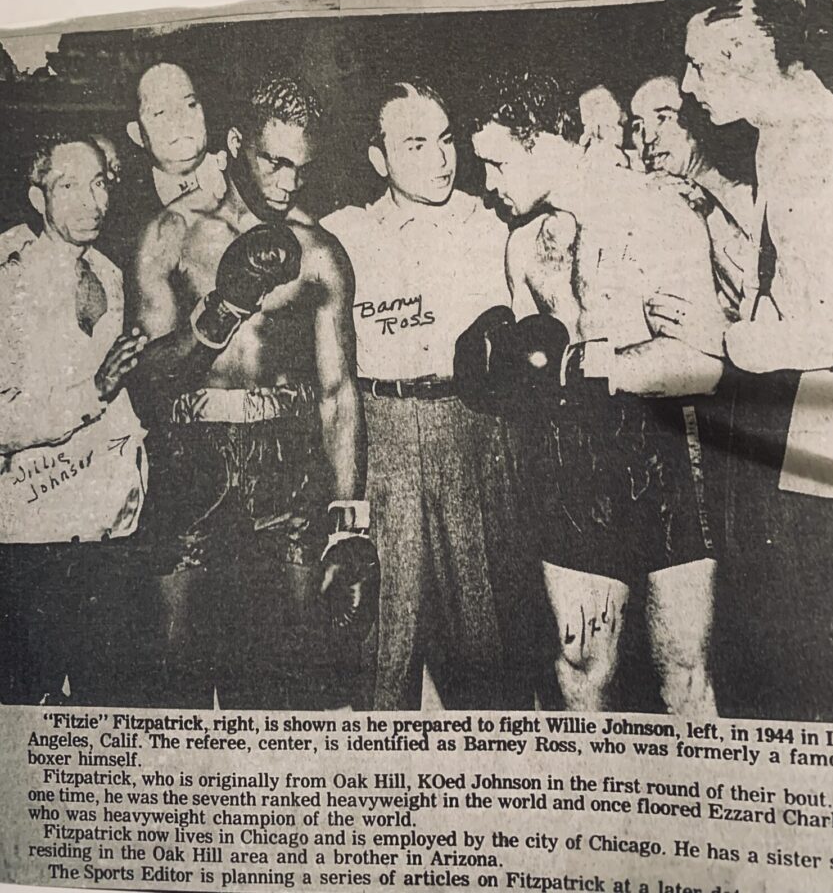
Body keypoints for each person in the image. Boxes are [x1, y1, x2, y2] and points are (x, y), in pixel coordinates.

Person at [647, 0, 833, 721]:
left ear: (744, 56)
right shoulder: (779, 133)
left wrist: (724, 337)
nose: (687, 87)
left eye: (697, 68)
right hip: (810, 422)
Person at [457, 69, 723, 714]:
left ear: (545, 140)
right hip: (568, 460)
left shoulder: (657, 213)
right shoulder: (524, 246)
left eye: (497, 162)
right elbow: (529, 383)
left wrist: (586, 364)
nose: (490, 184)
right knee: (580, 668)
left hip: (658, 451)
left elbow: (705, 367)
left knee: (682, 668)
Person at [129, 75, 377, 710]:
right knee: (174, 676)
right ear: (237, 144)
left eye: (301, 167)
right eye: (274, 162)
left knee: (286, 683)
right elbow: (149, 381)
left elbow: (338, 393)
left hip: (288, 467)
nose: (288, 184)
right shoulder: (169, 236)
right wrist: (222, 311)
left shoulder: (320, 252)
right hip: (190, 461)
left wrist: (350, 527)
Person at [322, 81, 537, 710]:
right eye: (416, 145)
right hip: (382, 427)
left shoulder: (493, 222)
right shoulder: (342, 234)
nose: (441, 159)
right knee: (383, 639)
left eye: (445, 141)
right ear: (378, 159)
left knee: (485, 634)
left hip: (474, 424)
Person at [0, 133, 147, 704]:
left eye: (100, 183)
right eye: (69, 187)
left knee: (105, 707)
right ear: (38, 198)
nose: (92, 201)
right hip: (33, 539)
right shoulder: (9, 277)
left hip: (107, 535)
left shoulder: (109, 272)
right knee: (25, 712)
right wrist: (95, 389)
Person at [630, 75, 753, 318]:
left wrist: (711, 214)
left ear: (697, 121)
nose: (647, 138)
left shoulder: (748, 199)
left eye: (663, 118)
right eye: (638, 125)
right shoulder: (662, 197)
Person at [101, 62, 227, 271]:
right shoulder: (122, 217)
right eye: (160, 112)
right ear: (137, 134)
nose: (180, 121)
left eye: (190, 105)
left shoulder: (242, 178)